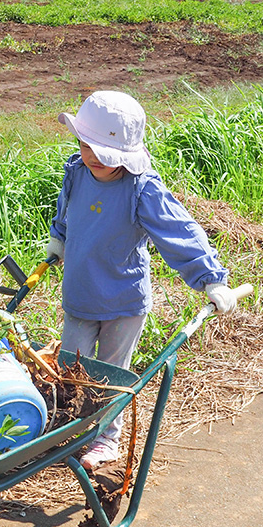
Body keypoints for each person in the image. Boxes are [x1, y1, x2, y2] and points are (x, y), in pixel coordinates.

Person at [46, 90, 242, 472]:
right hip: (80, 294)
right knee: (71, 370)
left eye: (102, 151)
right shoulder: (77, 172)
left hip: (123, 301)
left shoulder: (141, 188)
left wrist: (211, 279)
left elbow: (178, 231)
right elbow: (66, 211)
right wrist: (59, 239)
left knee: (112, 374)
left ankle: (106, 439)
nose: (91, 156)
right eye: (85, 145)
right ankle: (69, 429)